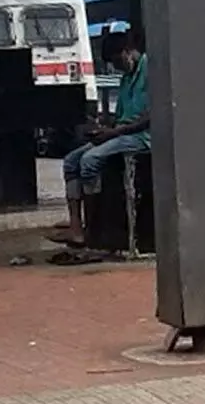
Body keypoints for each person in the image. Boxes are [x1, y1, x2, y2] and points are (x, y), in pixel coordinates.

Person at [51, 33, 150, 249]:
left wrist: (114, 133)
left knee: (90, 160)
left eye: (117, 61)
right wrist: (103, 127)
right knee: (71, 161)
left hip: (143, 137)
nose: (117, 67)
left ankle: (94, 228)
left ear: (127, 52)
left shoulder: (151, 71)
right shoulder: (126, 78)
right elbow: (122, 116)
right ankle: (76, 227)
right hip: (123, 133)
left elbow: (149, 118)